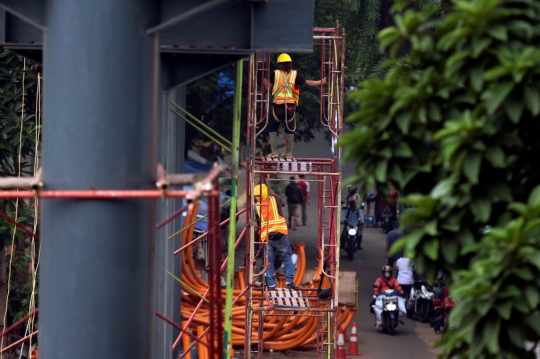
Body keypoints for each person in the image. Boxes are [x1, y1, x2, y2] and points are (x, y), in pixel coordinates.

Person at [263, 53, 327, 160]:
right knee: (290, 130)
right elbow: (309, 83)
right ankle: (288, 154)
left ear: (279, 64)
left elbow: (269, 88)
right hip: (290, 108)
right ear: (290, 64)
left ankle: (274, 153)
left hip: (278, 107)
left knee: (273, 128)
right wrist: (321, 82)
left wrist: (265, 83)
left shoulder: (274, 74)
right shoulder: (295, 75)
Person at [253, 183, 301, 290]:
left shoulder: (257, 206)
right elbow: (284, 202)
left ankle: (271, 284)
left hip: (267, 237)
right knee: (287, 257)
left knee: (269, 261)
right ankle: (289, 282)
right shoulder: (275, 199)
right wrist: (273, 193)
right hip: (280, 233)